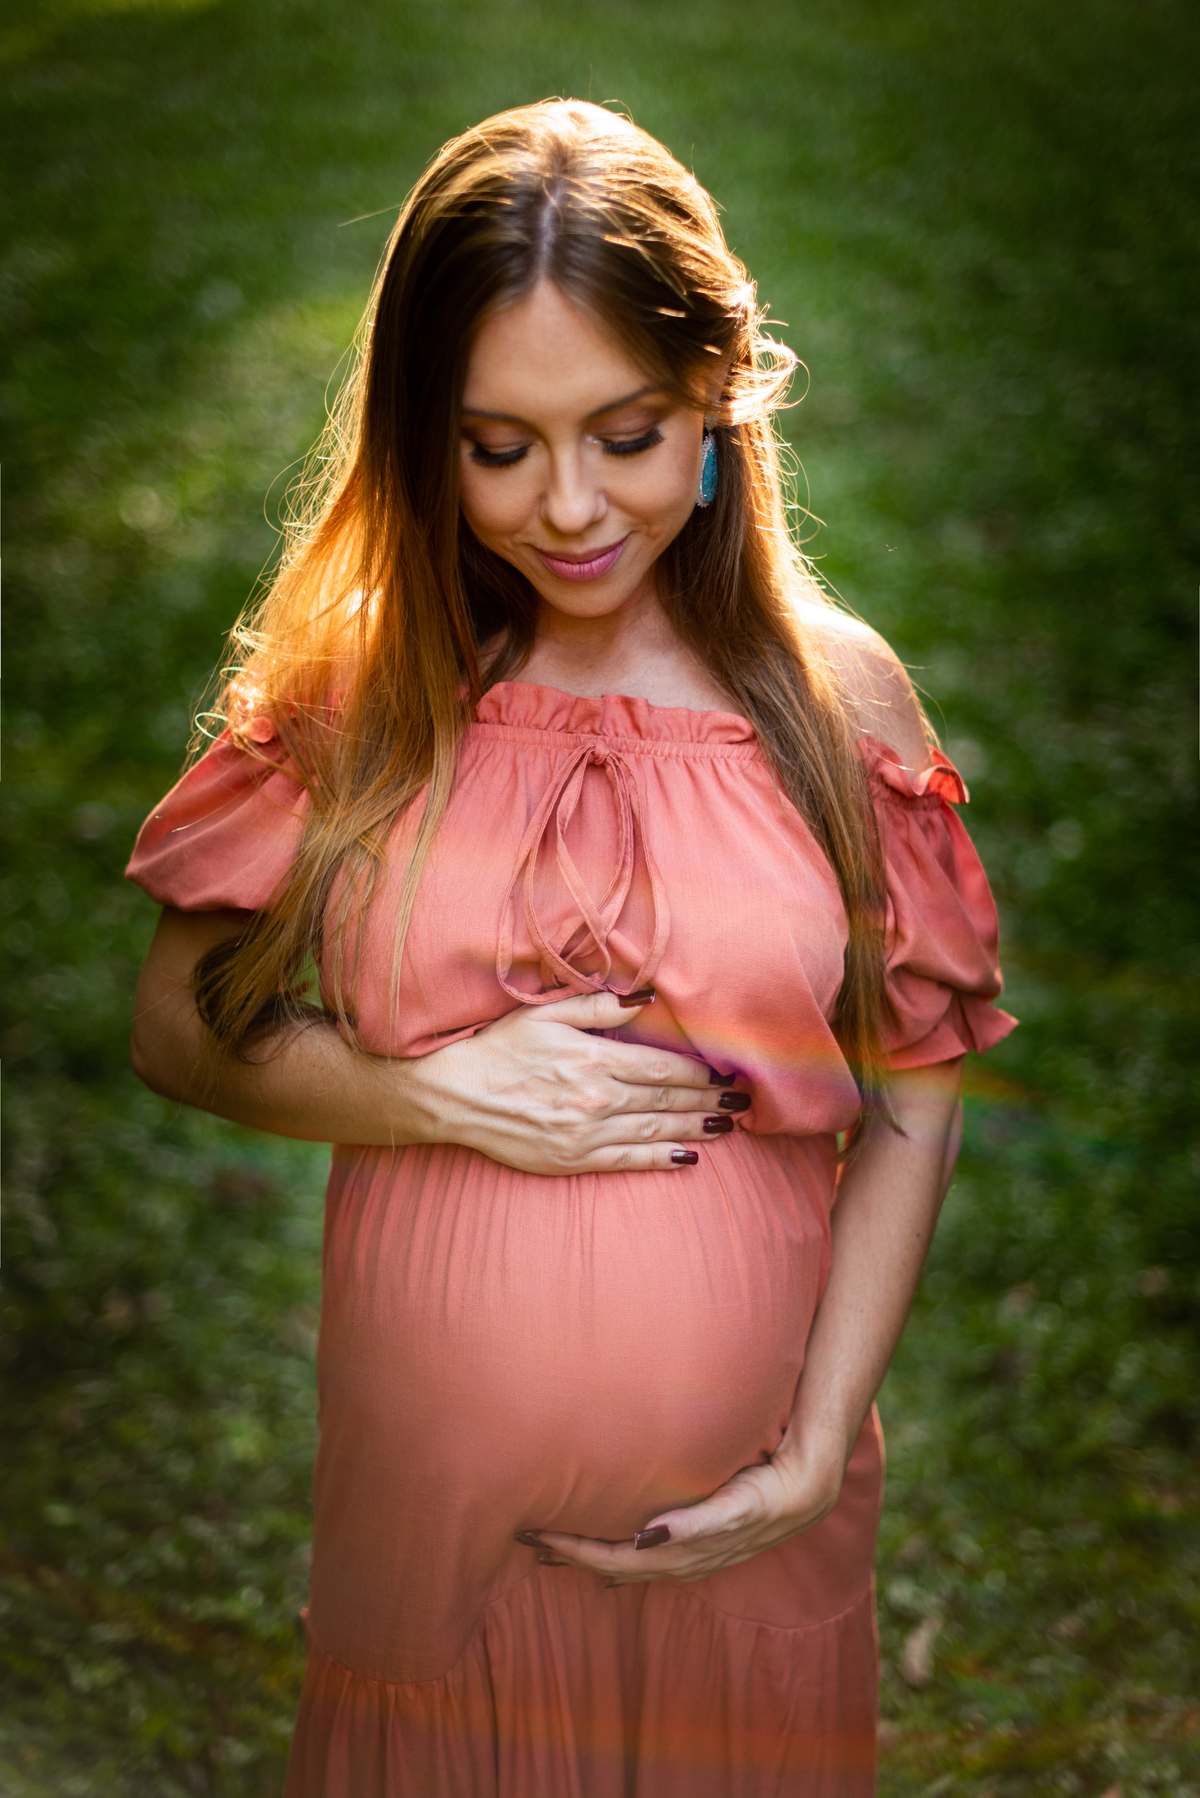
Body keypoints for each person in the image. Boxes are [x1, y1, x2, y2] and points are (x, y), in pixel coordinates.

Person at [127, 99, 1015, 1797]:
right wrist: (438, 1095)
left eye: (624, 432)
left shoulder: (837, 697)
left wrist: (822, 1442)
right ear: (422, 438)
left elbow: (913, 1075)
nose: (568, 505)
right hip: (435, 1574)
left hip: (746, 1551)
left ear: (717, 397)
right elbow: (176, 1021)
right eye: (497, 445)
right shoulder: (372, 686)